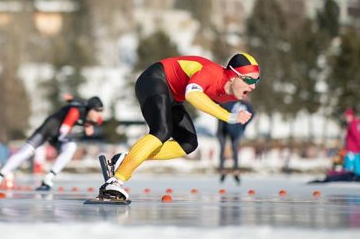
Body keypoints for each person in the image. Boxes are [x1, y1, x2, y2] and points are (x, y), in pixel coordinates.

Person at [99, 53, 258, 201]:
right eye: (249, 80)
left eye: (256, 81)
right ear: (233, 76)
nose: (253, 86)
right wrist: (229, 117)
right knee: (162, 132)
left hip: (173, 96)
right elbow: (192, 94)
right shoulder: (211, 72)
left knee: (188, 142)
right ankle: (115, 181)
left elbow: (207, 102)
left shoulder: (230, 94)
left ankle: (125, 160)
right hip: (154, 79)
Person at [0, 96, 104, 191]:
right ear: (89, 109)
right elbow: (63, 134)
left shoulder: (97, 119)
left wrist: (72, 98)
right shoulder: (75, 112)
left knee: (71, 147)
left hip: (61, 134)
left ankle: (48, 178)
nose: (99, 114)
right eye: (97, 111)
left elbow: (79, 101)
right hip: (50, 128)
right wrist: (83, 130)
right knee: (26, 151)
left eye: (101, 111)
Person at [217, 100, 254, 184]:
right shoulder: (227, 101)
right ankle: (222, 169)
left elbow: (252, 114)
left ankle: (236, 170)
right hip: (223, 128)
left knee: (235, 148)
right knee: (223, 148)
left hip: (235, 129)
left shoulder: (244, 104)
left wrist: (243, 125)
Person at [343, 108, 360, 176]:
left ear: (351, 116)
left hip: (352, 149)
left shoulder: (353, 124)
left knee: (350, 163)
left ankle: (349, 175)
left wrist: (358, 144)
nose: (346, 118)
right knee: (356, 163)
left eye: (347, 117)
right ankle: (358, 175)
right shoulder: (353, 123)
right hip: (354, 148)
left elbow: (356, 135)